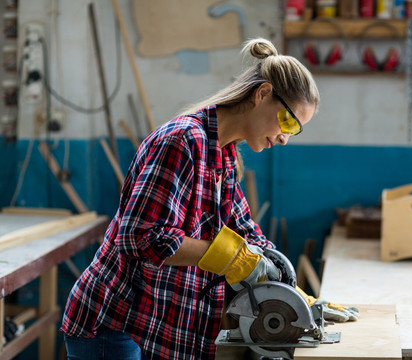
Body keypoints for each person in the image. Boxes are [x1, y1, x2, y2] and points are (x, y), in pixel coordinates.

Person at [60, 38, 320, 360]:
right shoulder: (184, 140)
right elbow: (141, 237)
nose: (284, 138)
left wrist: (289, 291)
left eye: (294, 131)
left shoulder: (223, 155)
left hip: (152, 324)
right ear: (263, 94)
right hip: (115, 324)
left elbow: (245, 231)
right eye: (287, 121)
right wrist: (233, 258)